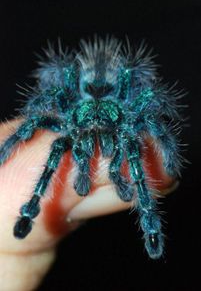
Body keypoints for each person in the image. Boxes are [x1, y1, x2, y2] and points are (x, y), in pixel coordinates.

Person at [0, 119, 176, 291]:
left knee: (136, 148)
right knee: (37, 127)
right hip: (81, 116)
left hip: (116, 117)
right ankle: (28, 205)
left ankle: (150, 227)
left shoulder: (128, 125)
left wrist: (169, 156)